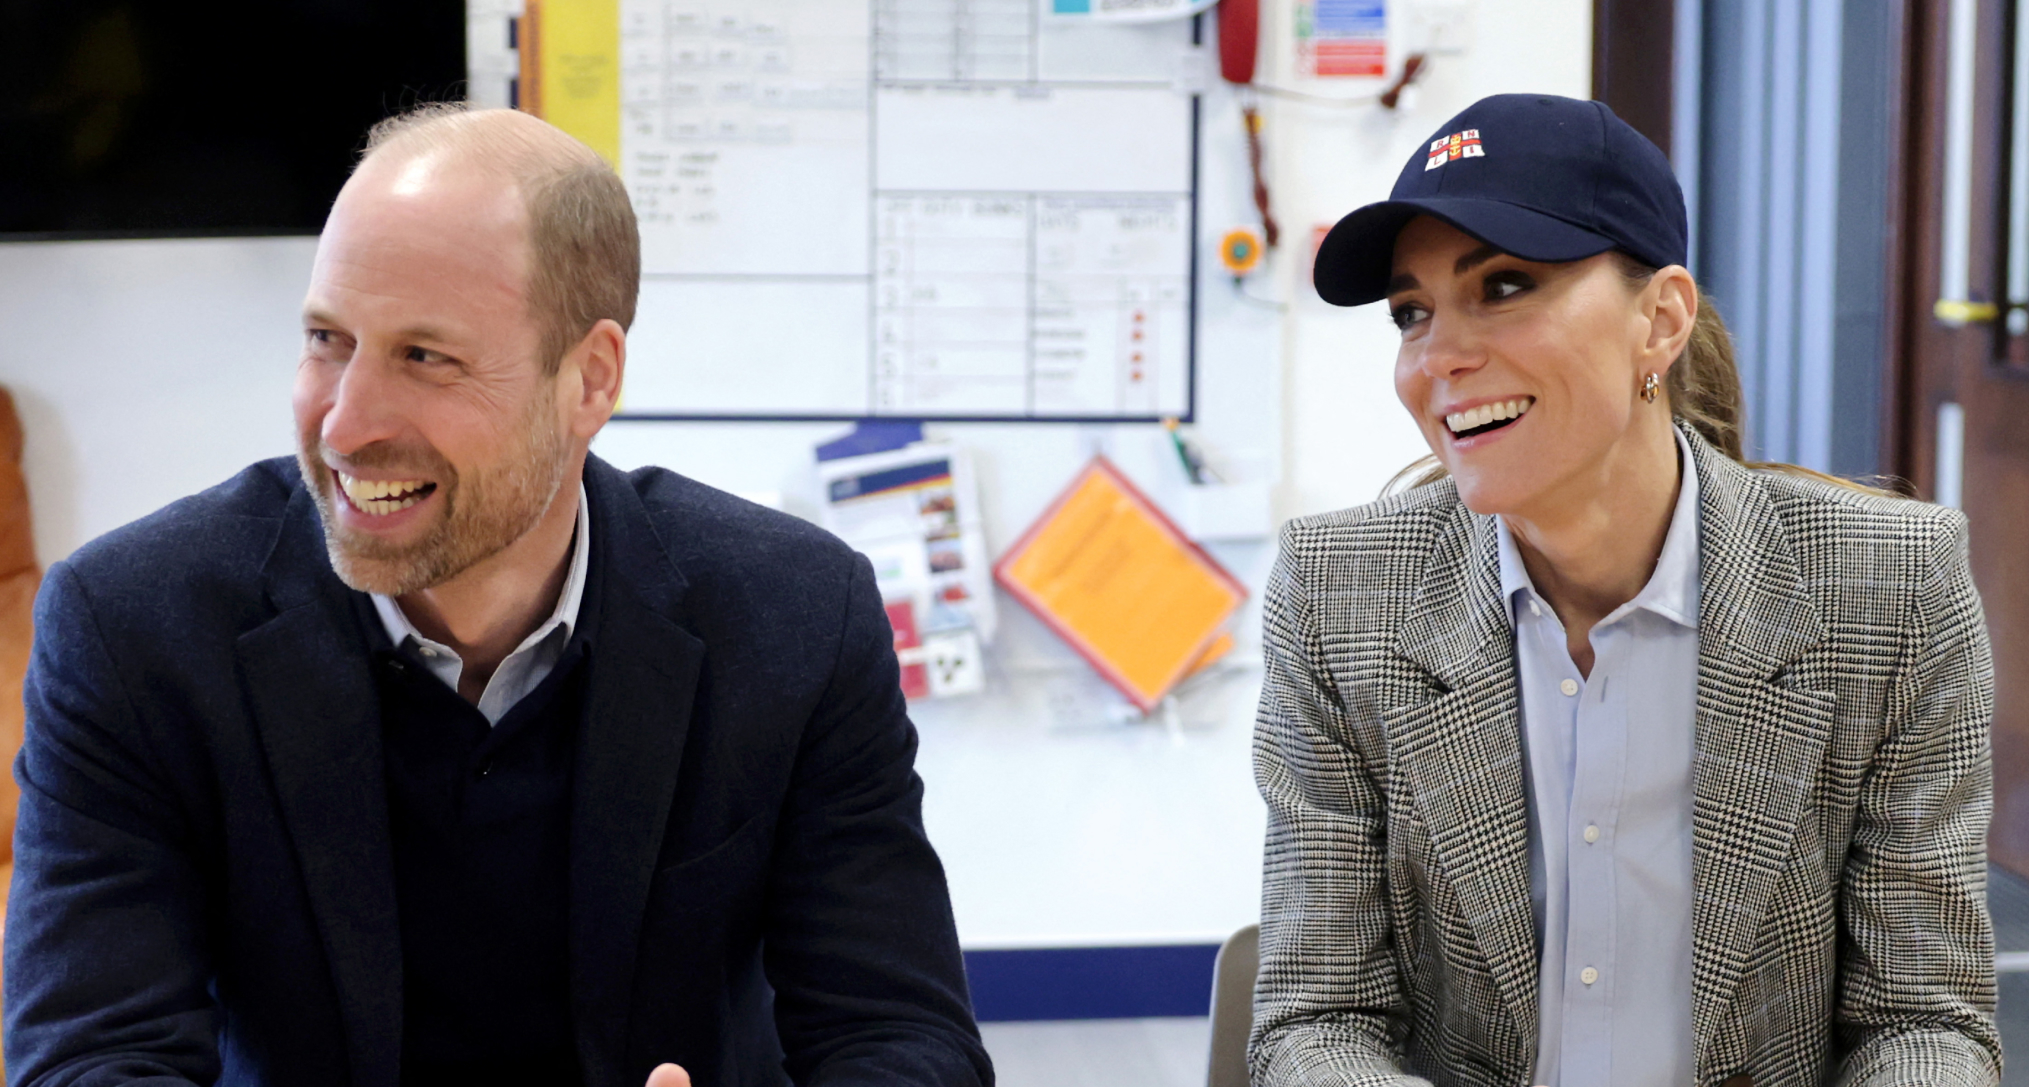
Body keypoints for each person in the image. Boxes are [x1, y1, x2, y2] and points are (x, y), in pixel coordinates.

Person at [5, 104, 992, 1087]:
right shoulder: (133, 628)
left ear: (590, 380)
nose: (345, 426)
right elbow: (90, 1056)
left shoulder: (795, 617)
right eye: (326, 339)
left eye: (426, 356)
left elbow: (901, 1033)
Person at [1251, 94, 1998, 1087]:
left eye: (1504, 284)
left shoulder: (1890, 583)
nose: (1438, 357)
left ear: (1660, 320)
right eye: (1411, 312)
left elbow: (1923, 1025)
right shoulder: (1338, 594)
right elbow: (1317, 1020)